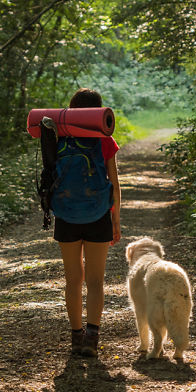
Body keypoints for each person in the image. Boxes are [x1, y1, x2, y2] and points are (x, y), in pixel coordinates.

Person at [54, 88, 122, 357]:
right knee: (95, 280)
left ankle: (75, 338)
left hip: (66, 213)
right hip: (98, 214)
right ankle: (91, 340)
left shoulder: (57, 137)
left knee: (73, 280)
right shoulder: (105, 139)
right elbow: (114, 184)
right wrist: (116, 220)